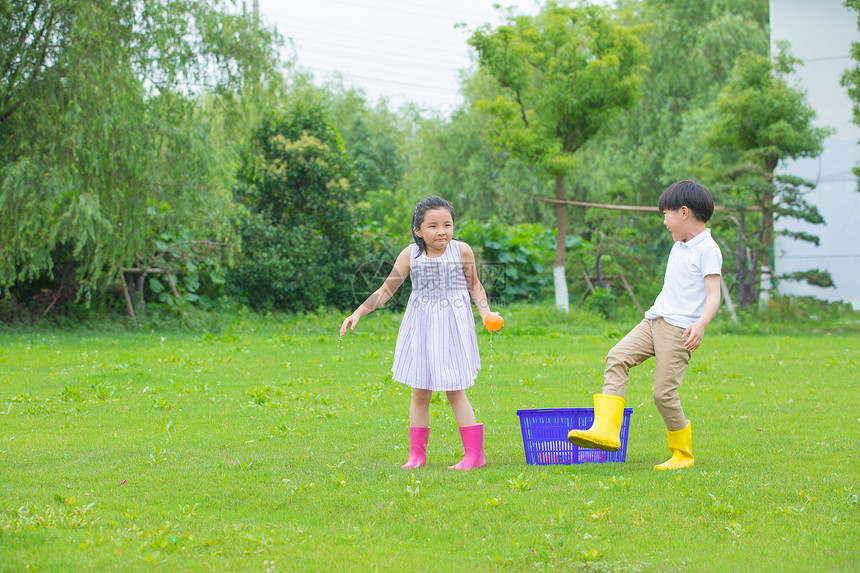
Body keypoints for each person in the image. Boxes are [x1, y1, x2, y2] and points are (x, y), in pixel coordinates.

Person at [568, 180, 722, 470]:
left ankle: (682, 454)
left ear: (684, 213)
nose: (664, 221)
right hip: (653, 321)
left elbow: (714, 295)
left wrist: (700, 324)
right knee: (617, 356)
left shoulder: (708, 249)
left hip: (679, 330)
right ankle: (606, 430)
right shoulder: (680, 245)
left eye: (666, 214)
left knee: (663, 394)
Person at [340, 196, 500, 470]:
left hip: (452, 324)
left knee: (454, 390)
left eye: (447, 224)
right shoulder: (410, 255)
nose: (441, 231)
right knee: (419, 391)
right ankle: (417, 456)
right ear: (418, 230)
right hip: (421, 324)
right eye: (433, 226)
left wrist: (486, 314)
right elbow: (386, 290)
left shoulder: (461, 251)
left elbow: (475, 286)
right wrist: (358, 312)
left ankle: (475, 455)